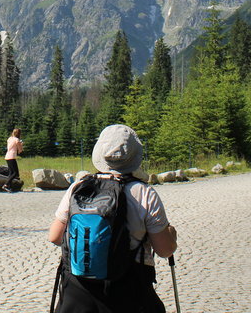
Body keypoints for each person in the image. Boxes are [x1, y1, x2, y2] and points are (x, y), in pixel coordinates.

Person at [47, 125, 177, 312]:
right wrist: (171, 235)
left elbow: (55, 237)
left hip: (78, 291)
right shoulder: (145, 193)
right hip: (129, 291)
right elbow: (164, 250)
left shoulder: (79, 187)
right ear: (134, 157)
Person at [2, 128, 23, 192]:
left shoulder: (9, 139)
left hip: (7, 156)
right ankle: (5, 185)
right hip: (12, 157)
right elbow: (20, 151)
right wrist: (21, 145)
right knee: (15, 173)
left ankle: (9, 186)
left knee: (11, 173)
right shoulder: (17, 140)